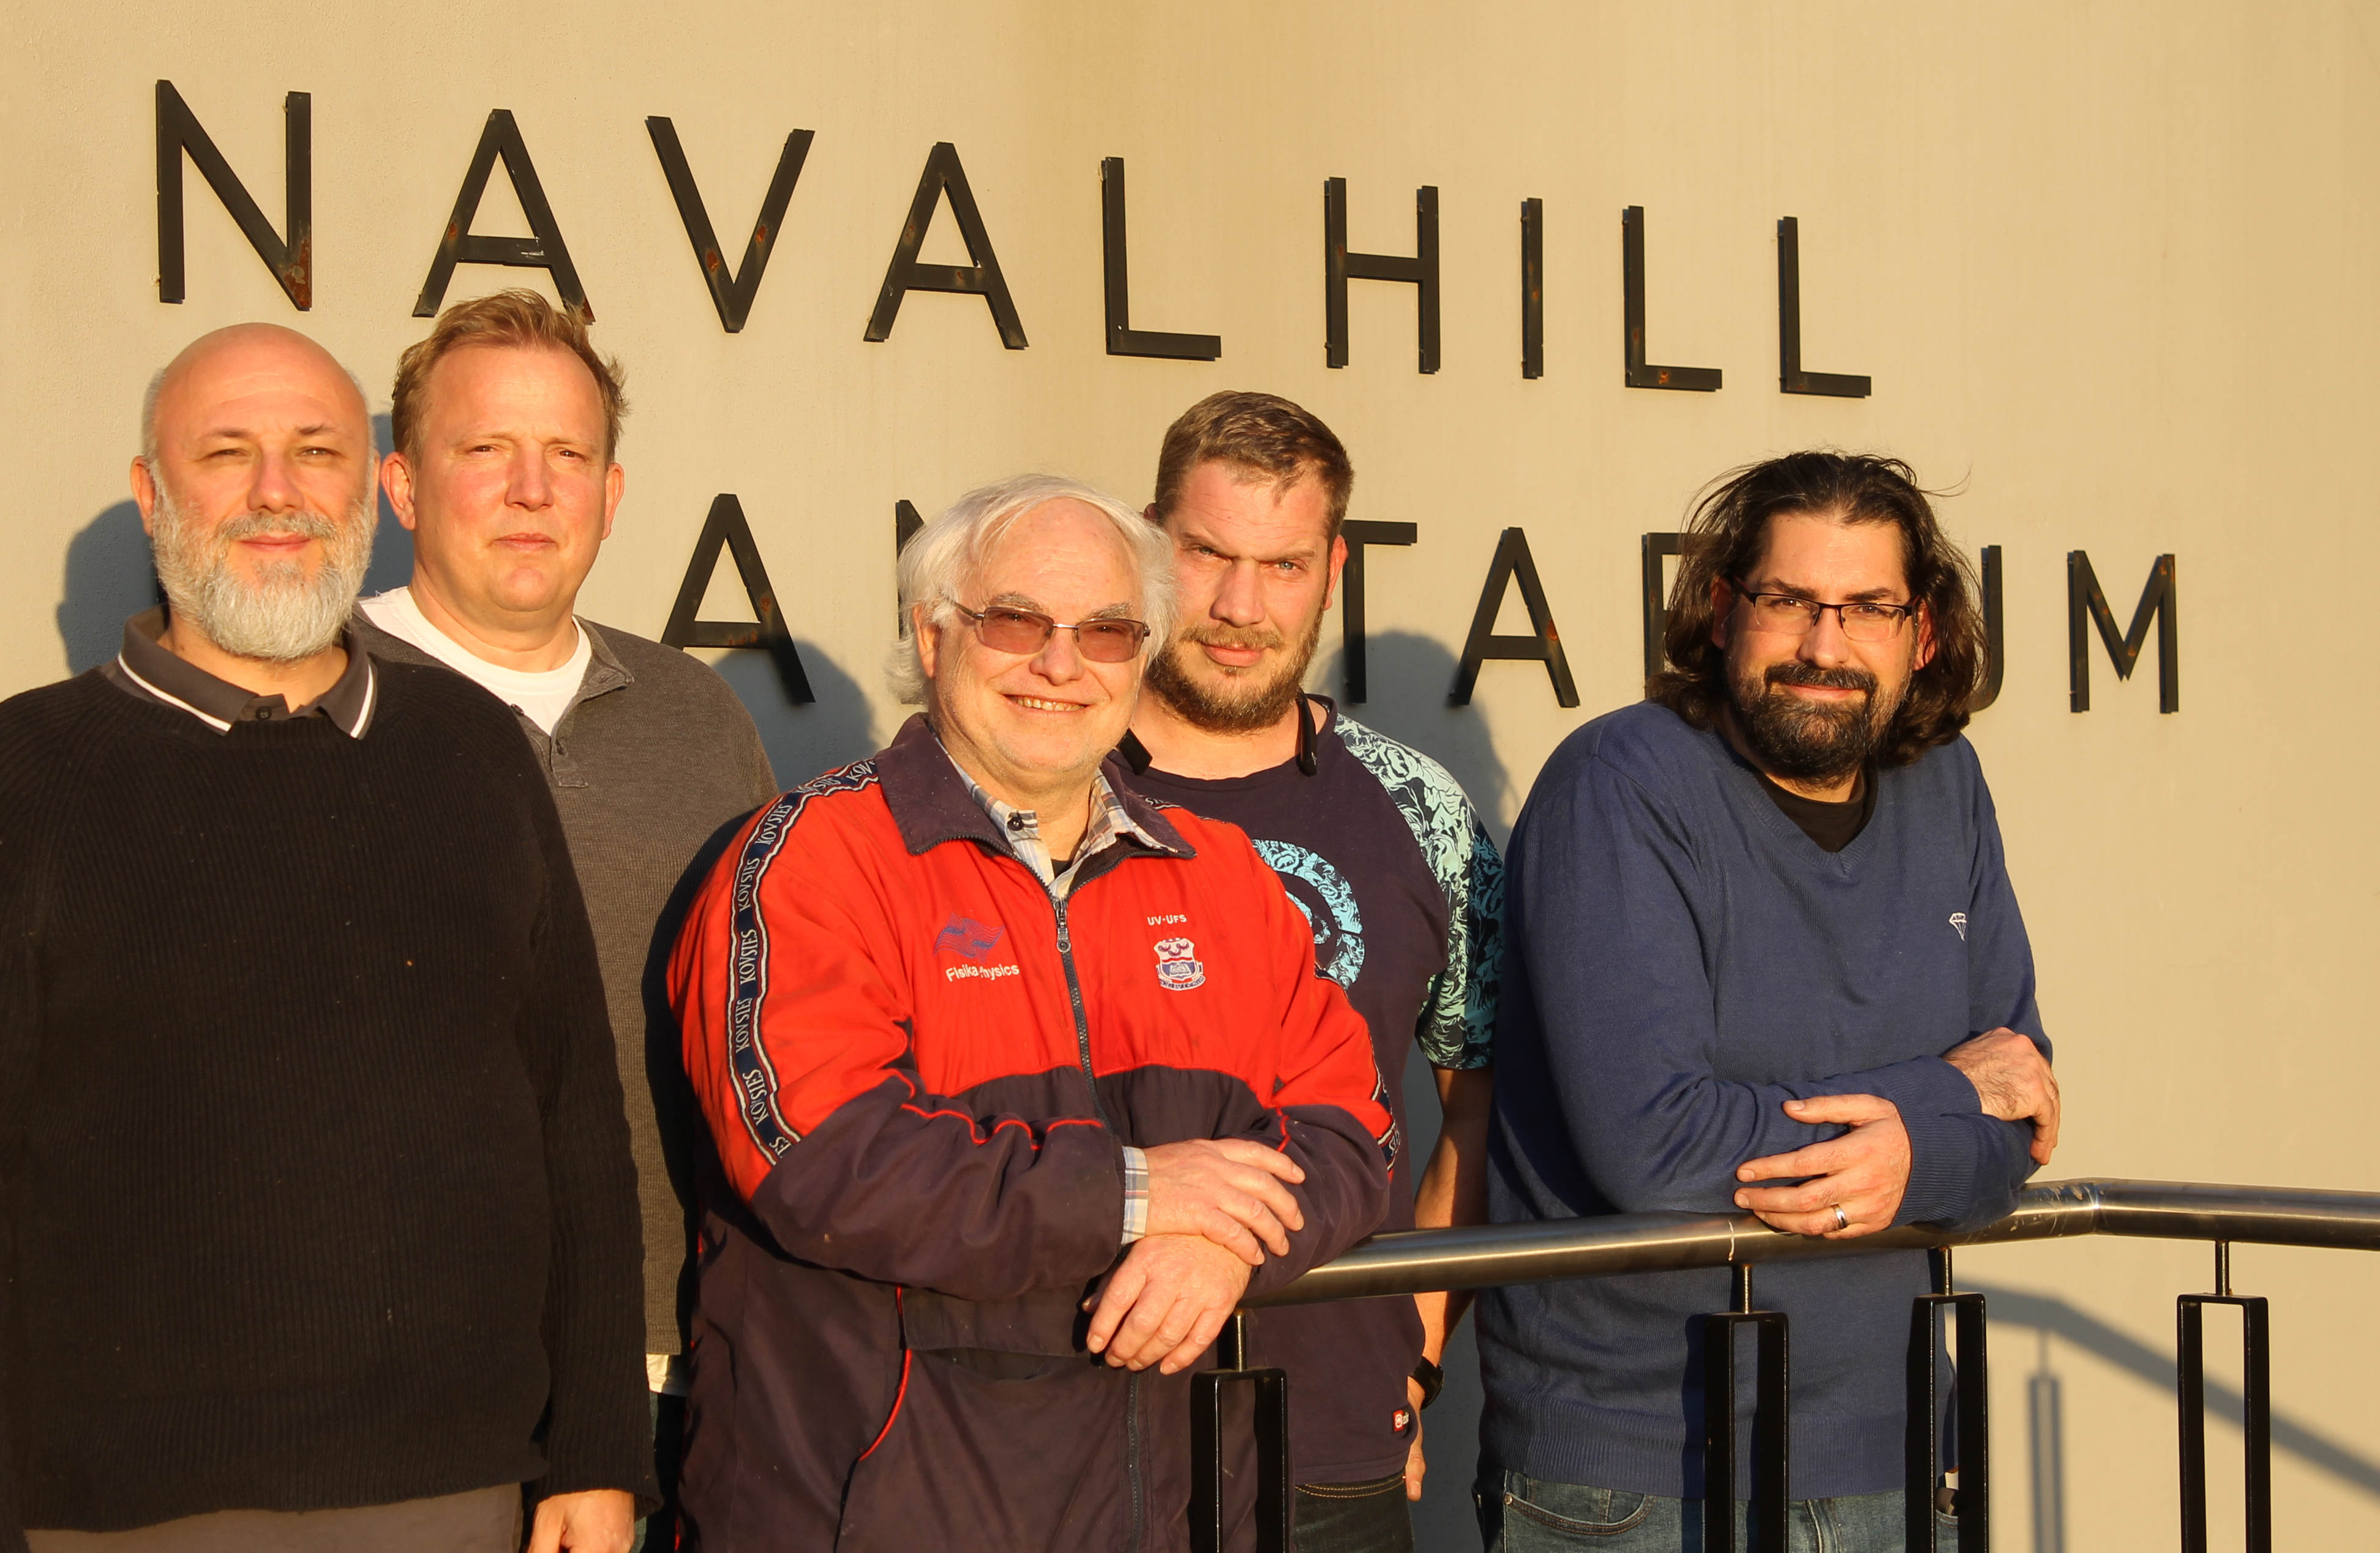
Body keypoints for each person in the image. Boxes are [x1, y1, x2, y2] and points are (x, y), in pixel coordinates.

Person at [0, 324, 653, 1553]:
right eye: (228, 453)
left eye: (316, 452)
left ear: (369, 493)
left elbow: (576, 1124)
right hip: (119, 1520)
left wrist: (598, 1453)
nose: (278, 493)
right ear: (151, 492)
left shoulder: (470, 751)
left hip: (465, 1501)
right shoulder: (20, 777)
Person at [668, 475, 1400, 1552]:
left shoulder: (1225, 873)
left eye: (1107, 631)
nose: (1062, 664)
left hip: (1182, 1509)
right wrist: (1140, 1193)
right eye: (1016, 621)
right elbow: (820, 1160)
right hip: (875, 1513)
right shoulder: (813, 858)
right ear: (931, 634)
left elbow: (1355, 1131)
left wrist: (1225, 1242)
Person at [1475, 452, 2062, 1552]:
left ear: (1920, 632)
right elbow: (1654, 1147)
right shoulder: (1620, 784)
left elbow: (2021, 1110)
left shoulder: (1948, 785)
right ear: (1721, 608)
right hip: (1638, 1475)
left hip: (1897, 1459)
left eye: (1868, 608)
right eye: (1789, 600)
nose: (1825, 646)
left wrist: (1936, 1140)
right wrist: (1939, 1102)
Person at [351, 290, 776, 1543]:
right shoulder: (319, 707)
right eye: (486, 450)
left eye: (568, 455)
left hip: (679, 1361)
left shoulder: (696, 716)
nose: (532, 489)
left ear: (613, 487)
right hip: (413, 1381)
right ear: (404, 485)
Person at [1115, 392, 1501, 1552]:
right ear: (1150, 546)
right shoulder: (1051, 778)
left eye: (1283, 564)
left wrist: (1419, 1359)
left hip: (1333, 1443)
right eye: (1208, 555)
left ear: (1332, 567)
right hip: (1072, 1434)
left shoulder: (1422, 809)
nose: (1241, 607)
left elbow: (1475, 1116)